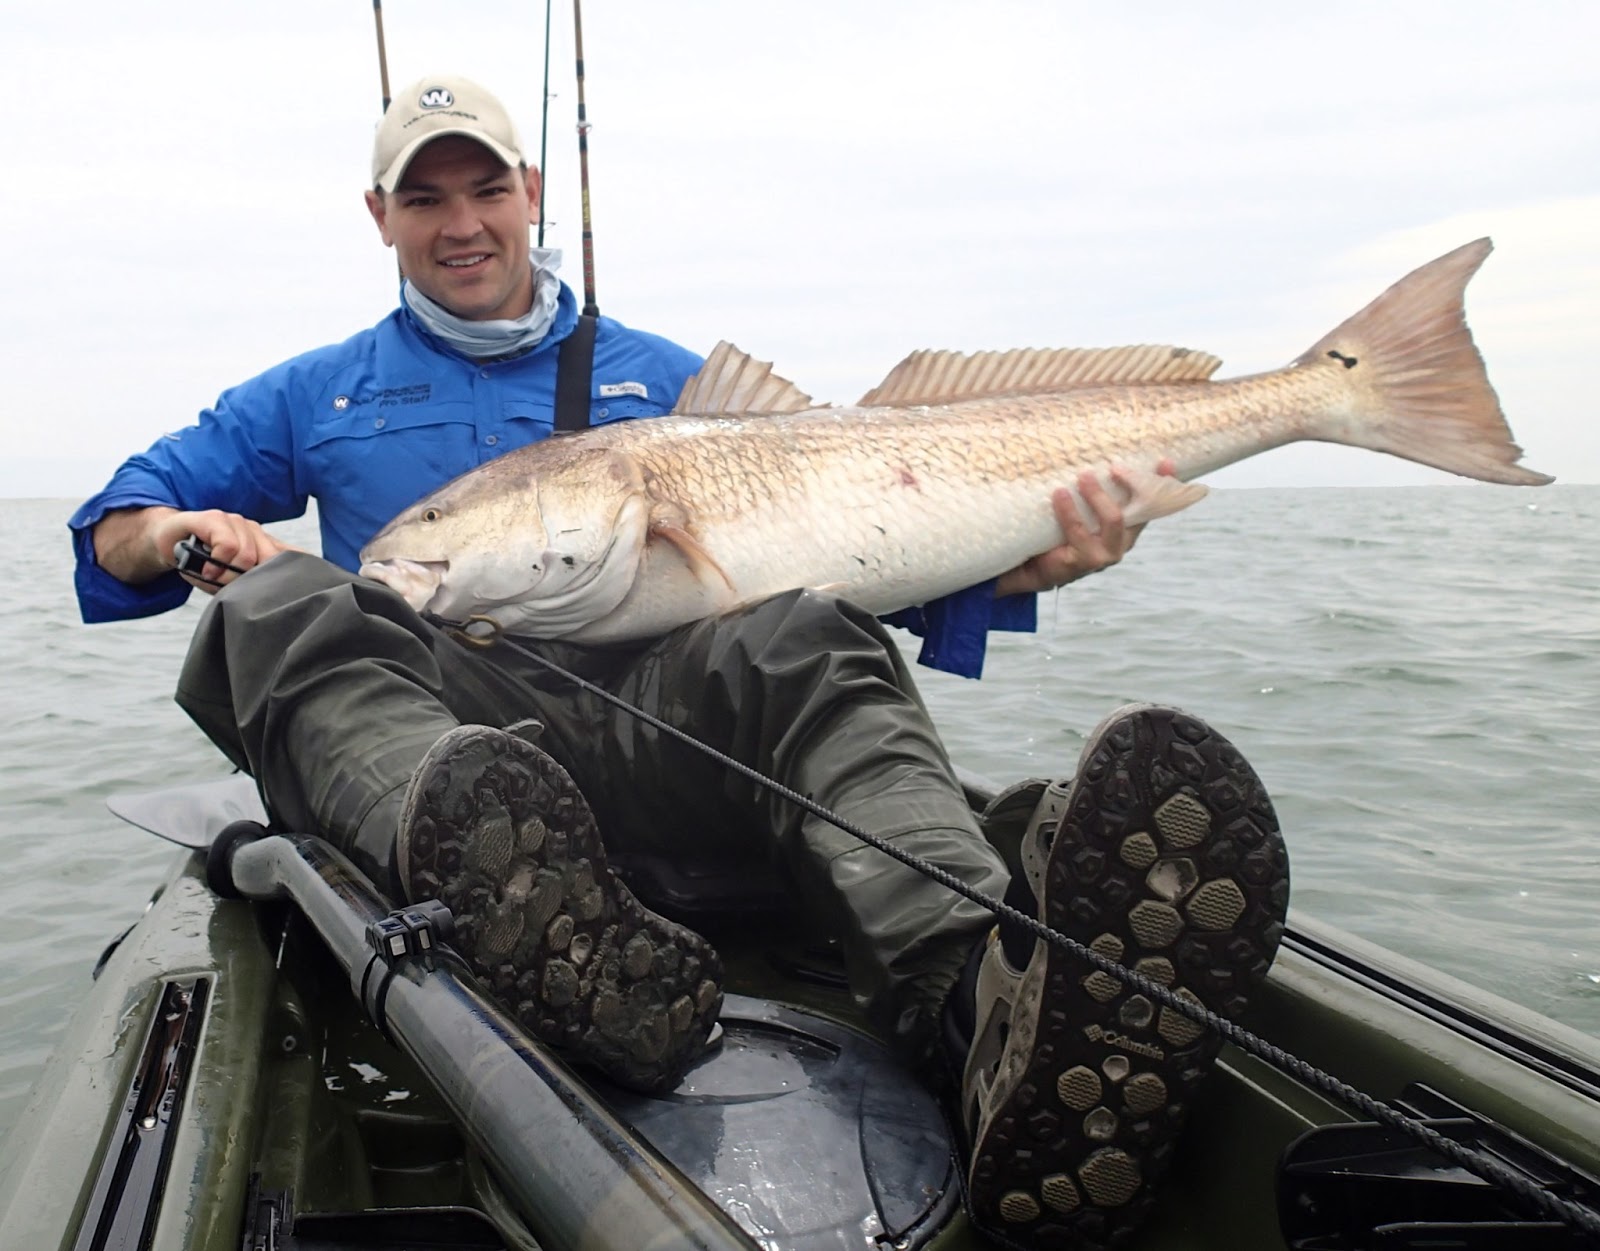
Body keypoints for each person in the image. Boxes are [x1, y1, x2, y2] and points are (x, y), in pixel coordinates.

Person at [70, 75, 1290, 1248]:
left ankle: (974, 1007)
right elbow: (116, 524)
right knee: (275, 605)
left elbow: (873, 547)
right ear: (379, 216)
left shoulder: (667, 382)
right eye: (425, 199)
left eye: (483, 190)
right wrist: (184, 534)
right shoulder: (311, 395)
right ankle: (495, 882)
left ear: (529, 192)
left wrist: (1032, 558)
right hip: (437, 752)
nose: (460, 224)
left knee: (811, 631)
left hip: (665, 739)